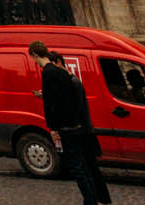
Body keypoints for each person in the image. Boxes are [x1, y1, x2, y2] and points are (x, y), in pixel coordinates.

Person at [32, 42, 109, 205]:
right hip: (79, 126)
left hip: (74, 128)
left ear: (35, 55)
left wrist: (53, 127)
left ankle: (93, 200)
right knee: (86, 166)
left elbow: (52, 104)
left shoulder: (50, 73)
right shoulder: (67, 76)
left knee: (81, 167)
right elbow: (64, 99)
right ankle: (98, 199)